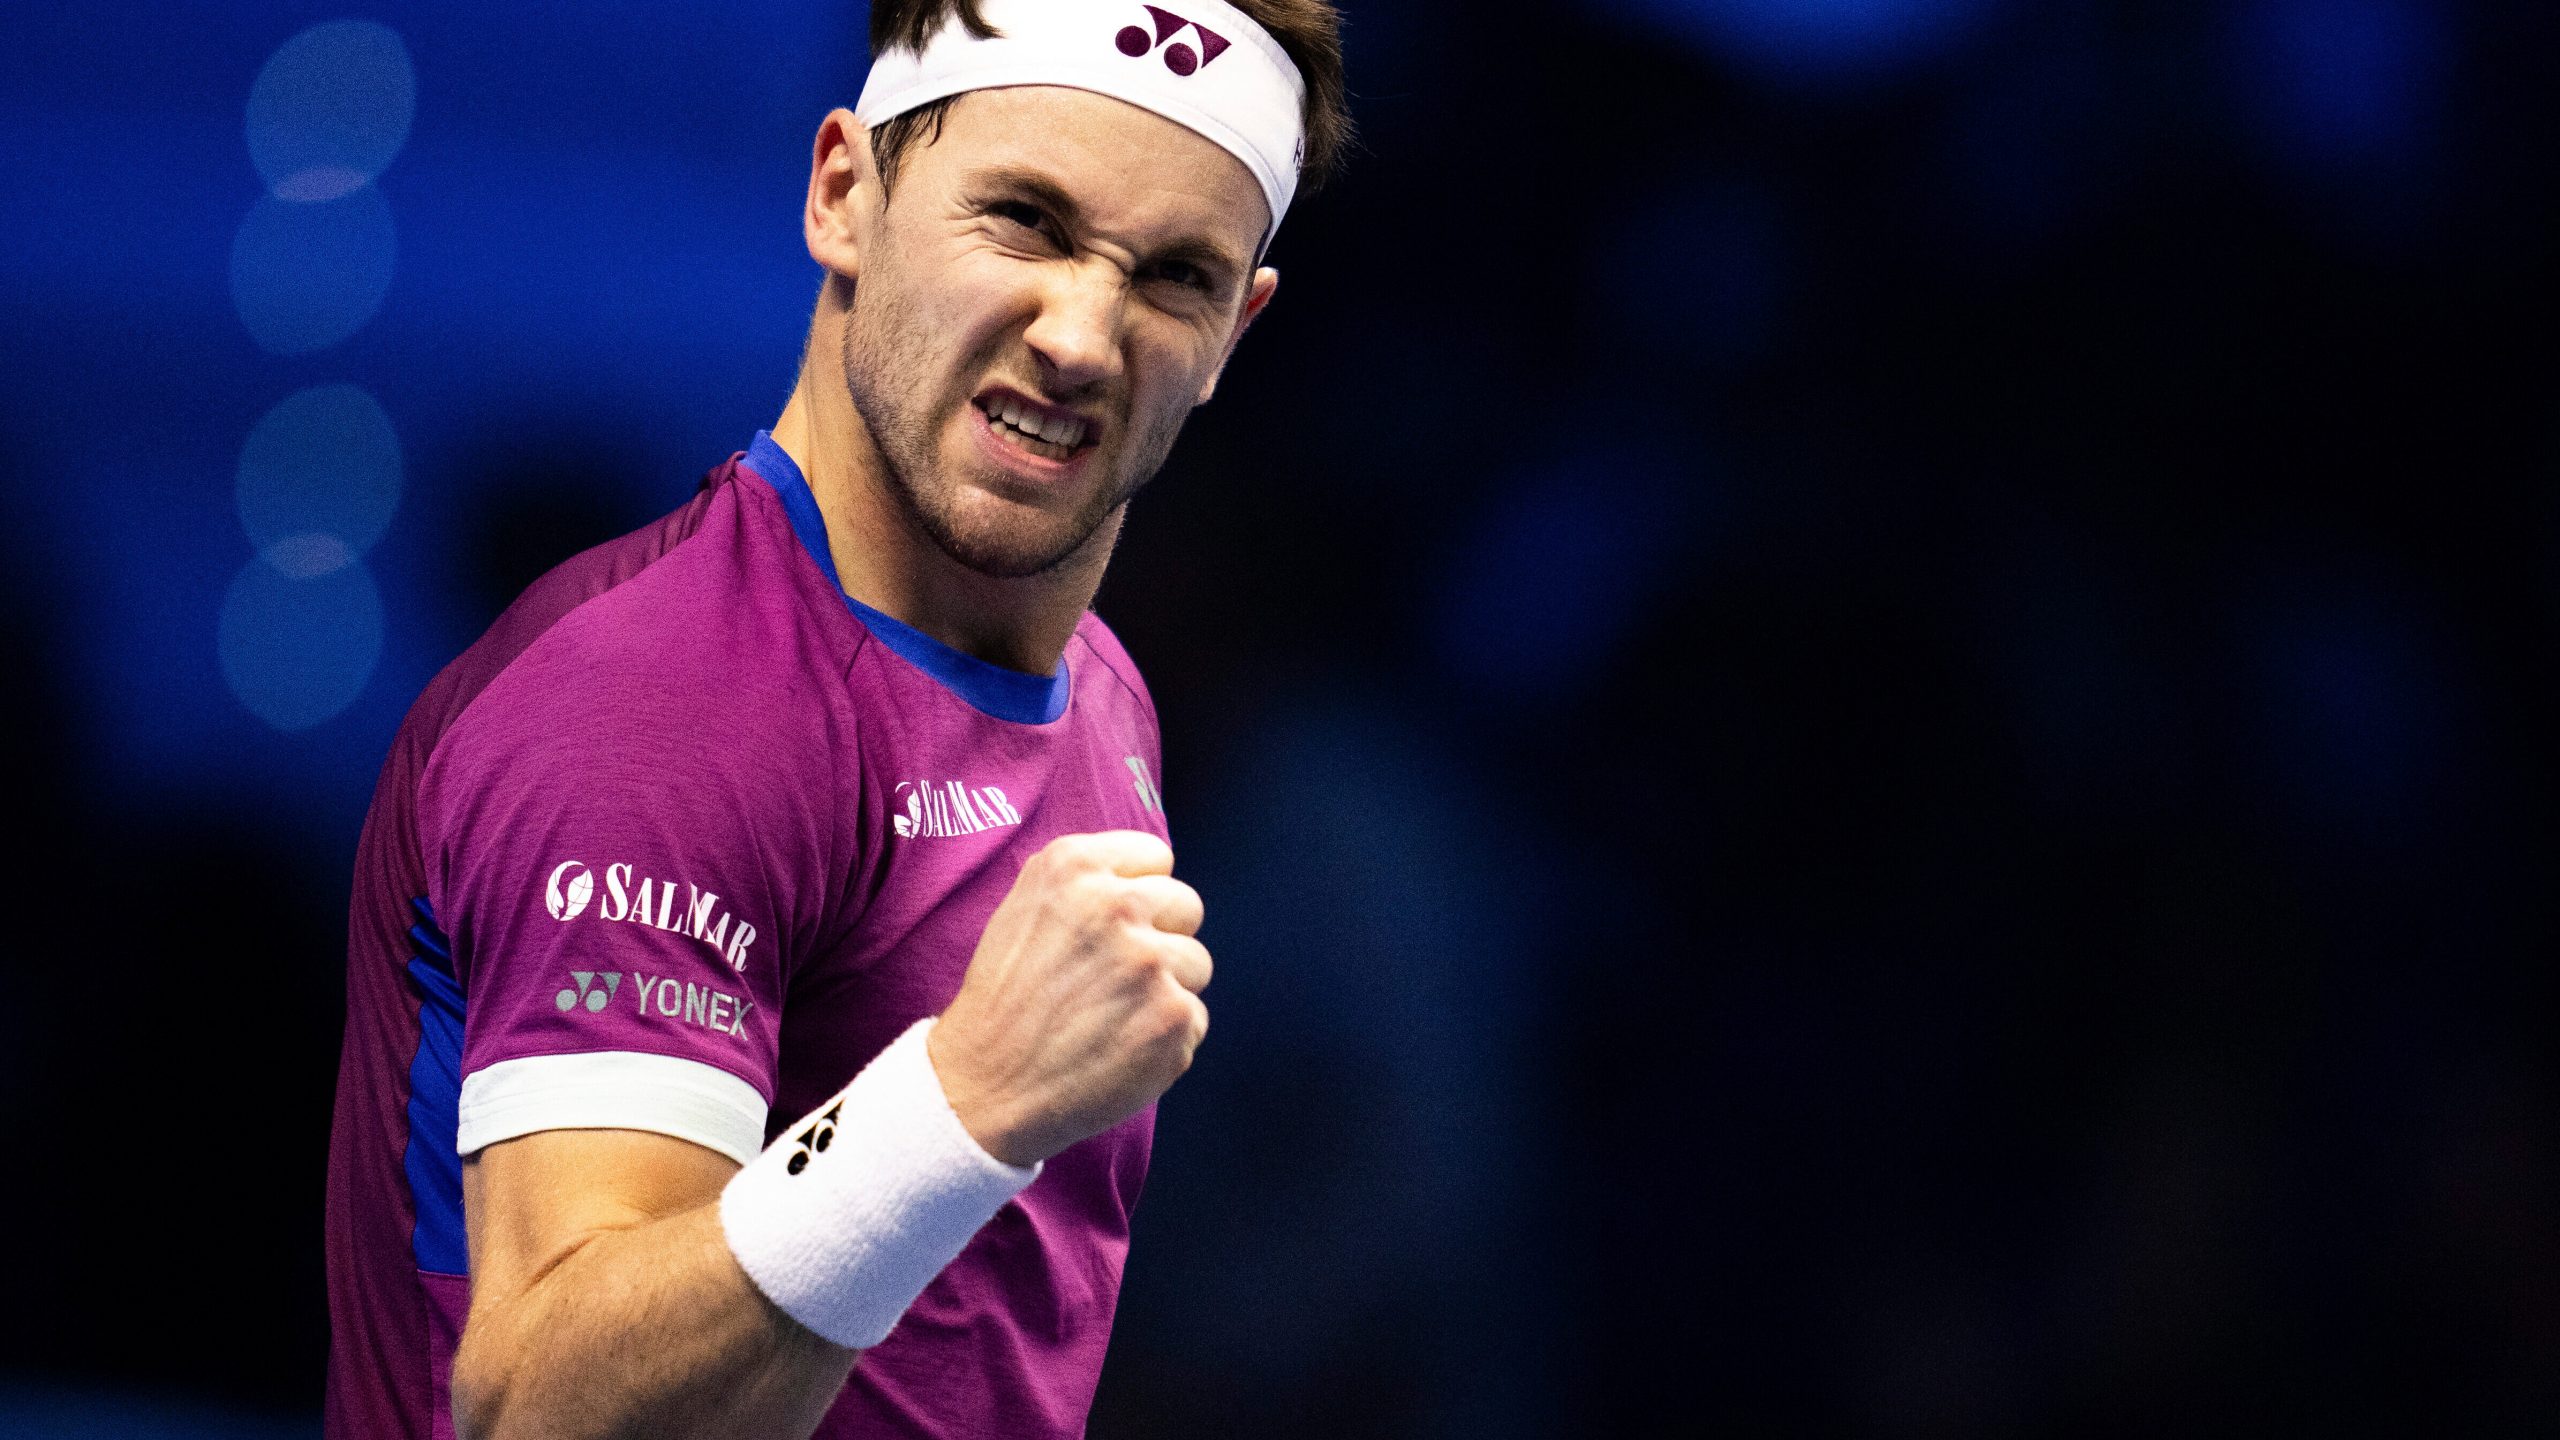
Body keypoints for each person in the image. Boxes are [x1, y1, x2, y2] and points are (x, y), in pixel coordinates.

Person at [320, 2, 1352, 1435]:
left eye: (1174, 275)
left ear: (1238, 327)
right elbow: (538, 1408)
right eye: (1027, 222)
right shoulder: (655, 703)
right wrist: (959, 1106)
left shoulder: (1102, 690)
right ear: (845, 195)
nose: (1082, 338)